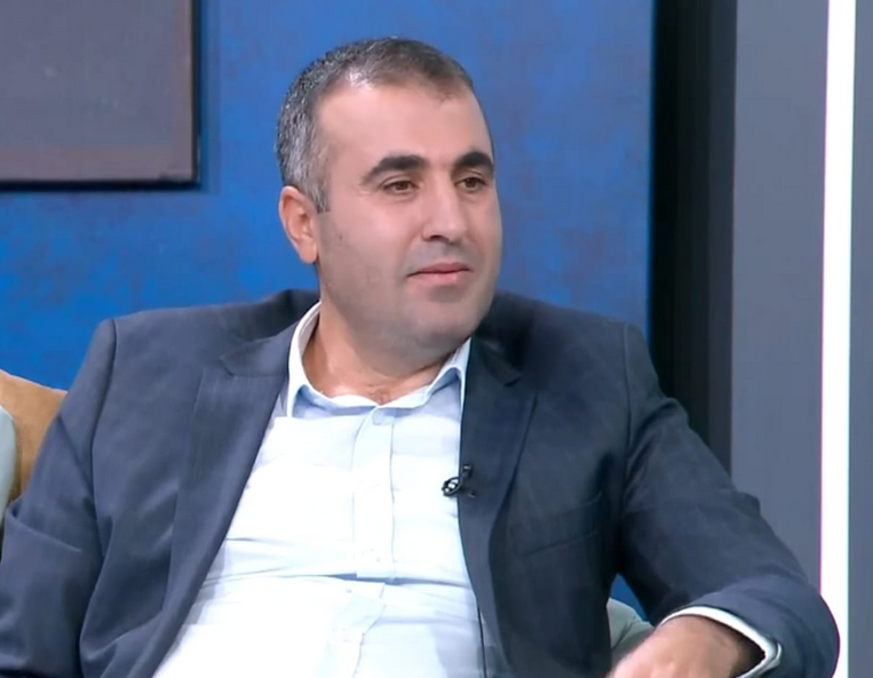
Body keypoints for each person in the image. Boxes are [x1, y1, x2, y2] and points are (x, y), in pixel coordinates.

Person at [0, 37, 837, 678]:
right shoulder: (146, 370)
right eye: (400, 185)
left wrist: (703, 640)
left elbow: (774, 598)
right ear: (304, 223)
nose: (450, 221)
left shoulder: (586, 378)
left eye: (471, 181)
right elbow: (22, 650)